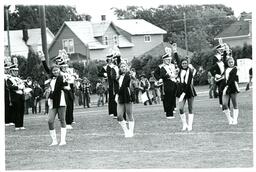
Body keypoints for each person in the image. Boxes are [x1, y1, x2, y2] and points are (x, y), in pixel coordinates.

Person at [39, 51, 68, 146]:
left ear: (59, 70)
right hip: (53, 101)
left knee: (62, 120)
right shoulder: (51, 78)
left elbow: (63, 87)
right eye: (54, 70)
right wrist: (43, 59)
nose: (55, 72)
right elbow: (47, 69)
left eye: (57, 70)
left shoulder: (62, 77)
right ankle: (54, 140)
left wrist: (49, 94)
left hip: (60, 100)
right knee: (50, 120)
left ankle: (63, 140)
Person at [176, 58, 197, 131]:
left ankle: (190, 125)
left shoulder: (190, 71)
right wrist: (175, 50)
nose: (184, 64)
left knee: (190, 108)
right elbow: (177, 59)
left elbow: (188, 83)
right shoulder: (180, 70)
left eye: (185, 63)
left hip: (189, 90)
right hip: (181, 91)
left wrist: (184, 93)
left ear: (188, 64)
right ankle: (184, 124)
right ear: (181, 64)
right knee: (181, 108)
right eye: (183, 63)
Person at [116, 61, 135, 137]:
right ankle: (126, 131)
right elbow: (116, 86)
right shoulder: (118, 77)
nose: (123, 68)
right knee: (119, 116)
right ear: (119, 69)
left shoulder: (128, 75)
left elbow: (124, 85)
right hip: (120, 95)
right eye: (121, 67)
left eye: (124, 66)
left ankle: (131, 132)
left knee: (129, 114)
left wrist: (117, 93)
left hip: (127, 94)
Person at [7, 64, 26, 130]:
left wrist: (24, 88)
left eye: (16, 71)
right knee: (16, 111)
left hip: (21, 96)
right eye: (14, 71)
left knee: (21, 111)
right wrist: (18, 87)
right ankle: (17, 125)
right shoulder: (9, 79)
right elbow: (10, 87)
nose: (16, 72)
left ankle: (21, 125)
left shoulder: (19, 79)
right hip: (15, 97)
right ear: (11, 71)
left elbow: (23, 85)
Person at [222, 56, 240, 125]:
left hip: (233, 87)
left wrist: (226, 87)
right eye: (229, 62)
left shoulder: (235, 69)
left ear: (234, 62)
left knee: (234, 103)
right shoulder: (226, 69)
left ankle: (235, 120)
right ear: (227, 63)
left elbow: (232, 79)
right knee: (224, 104)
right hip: (226, 87)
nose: (231, 63)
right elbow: (225, 78)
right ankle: (230, 119)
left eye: (232, 62)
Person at [159, 52, 177, 119]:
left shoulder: (172, 66)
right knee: (168, 99)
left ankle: (171, 112)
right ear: (164, 60)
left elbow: (175, 73)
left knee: (172, 98)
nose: (168, 61)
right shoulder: (162, 67)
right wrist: (169, 75)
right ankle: (169, 114)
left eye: (169, 59)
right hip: (167, 85)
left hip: (172, 84)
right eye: (167, 60)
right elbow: (163, 75)